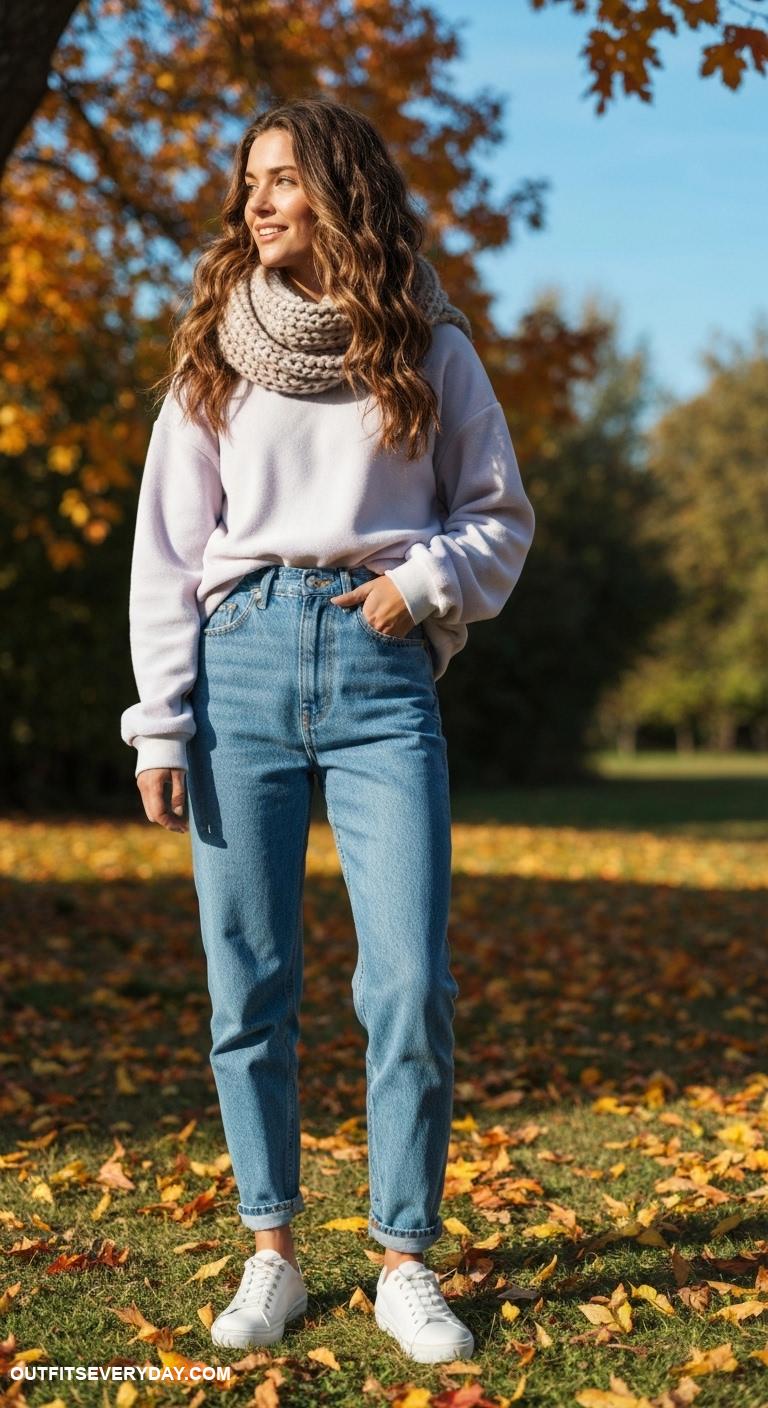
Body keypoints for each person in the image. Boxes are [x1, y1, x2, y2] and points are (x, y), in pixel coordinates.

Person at [120, 96, 535, 1366]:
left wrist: (421, 588)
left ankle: (405, 1258)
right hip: (237, 664)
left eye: (285, 178)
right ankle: (274, 1252)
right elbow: (168, 553)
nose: (257, 200)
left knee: (406, 978)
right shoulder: (214, 355)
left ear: (341, 192)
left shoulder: (426, 342)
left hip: (377, 668)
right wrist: (159, 727)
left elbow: (499, 514)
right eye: (250, 181)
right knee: (247, 985)